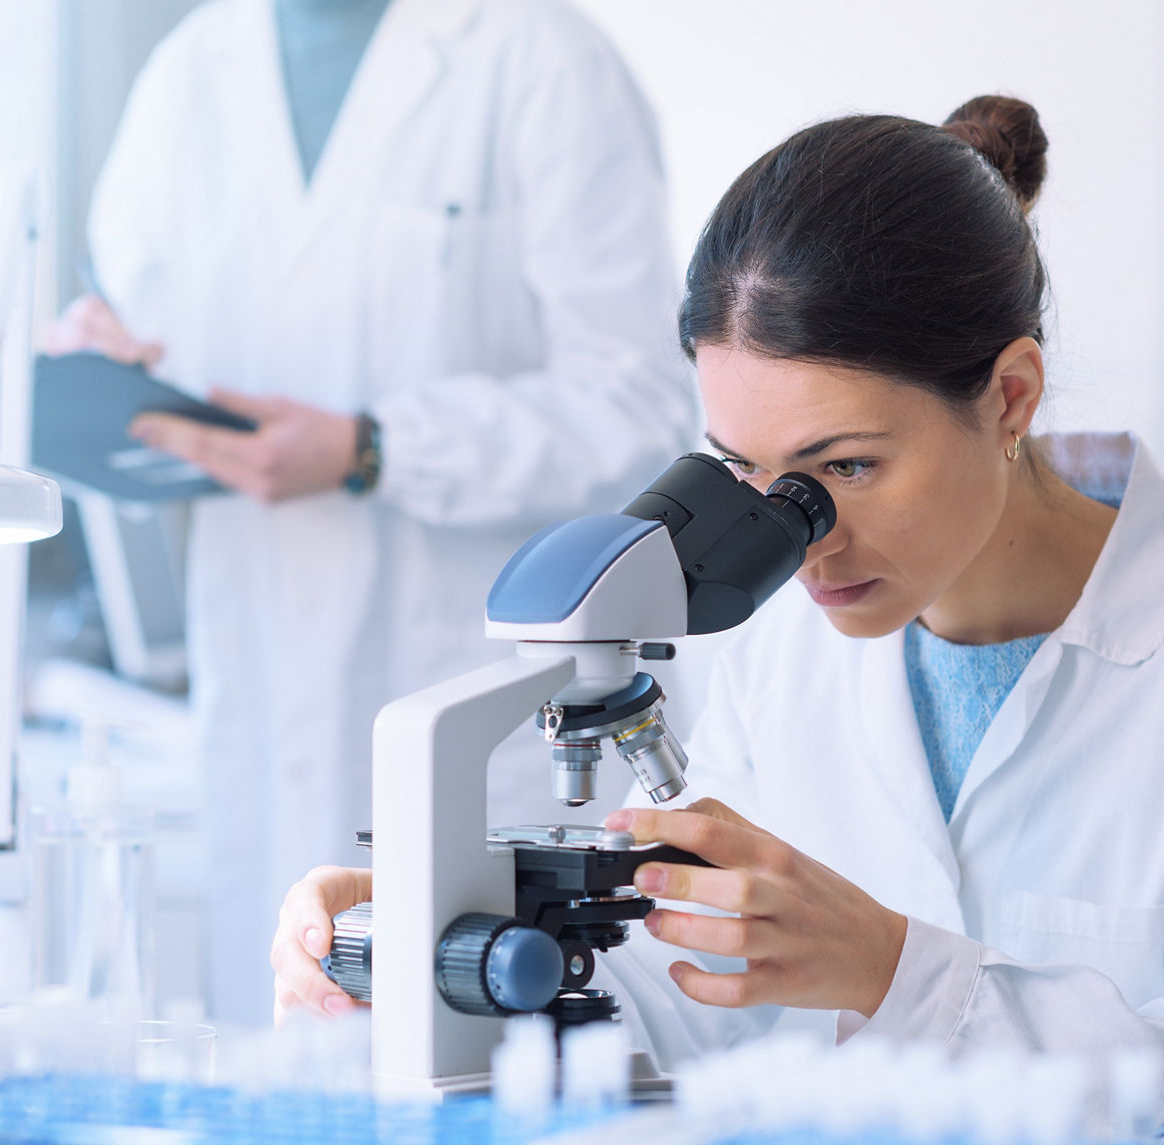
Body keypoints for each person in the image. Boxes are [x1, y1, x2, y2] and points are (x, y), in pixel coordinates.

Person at [269, 95, 1164, 1110]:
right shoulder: (782, 647)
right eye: (747, 475)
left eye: (845, 469)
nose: (796, 543)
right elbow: (696, 999)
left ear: (1009, 398)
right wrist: (443, 949)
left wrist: (892, 972)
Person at [48, 0, 696, 1026]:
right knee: (283, 1102)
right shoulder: (189, 70)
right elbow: (135, 327)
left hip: (471, 699)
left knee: (481, 1102)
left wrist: (376, 449)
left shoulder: (538, 56)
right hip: (260, 699)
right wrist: (99, 359)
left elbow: (640, 401)